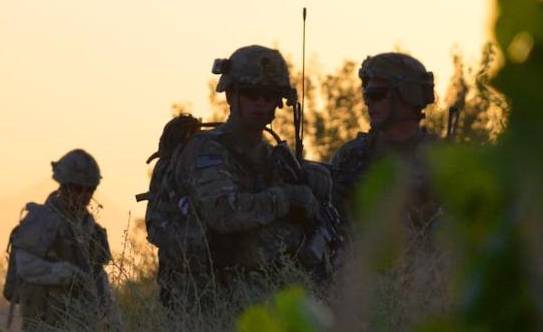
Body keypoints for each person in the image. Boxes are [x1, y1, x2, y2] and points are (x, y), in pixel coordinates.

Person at [146, 45, 331, 310]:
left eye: (269, 95)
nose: (261, 103)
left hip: (260, 303)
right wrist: (287, 198)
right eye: (252, 93)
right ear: (231, 95)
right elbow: (223, 213)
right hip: (203, 305)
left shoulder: (274, 158)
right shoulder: (205, 150)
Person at [3, 149, 114, 332]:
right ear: (65, 187)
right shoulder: (42, 220)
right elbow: (25, 265)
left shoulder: (90, 228)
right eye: (79, 189)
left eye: (90, 190)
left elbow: (100, 278)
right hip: (47, 325)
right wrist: (64, 273)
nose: (85, 196)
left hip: (83, 326)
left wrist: (113, 323)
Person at [330, 53, 439, 227]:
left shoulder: (440, 159)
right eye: (366, 95)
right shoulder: (351, 157)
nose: (368, 103)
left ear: (406, 95)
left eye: (376, 95)